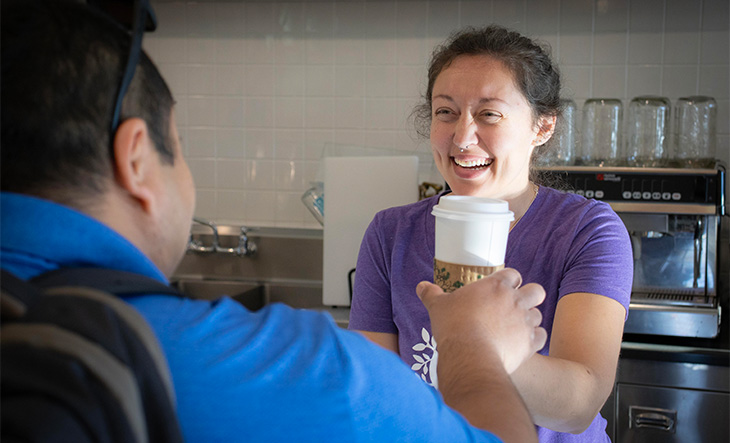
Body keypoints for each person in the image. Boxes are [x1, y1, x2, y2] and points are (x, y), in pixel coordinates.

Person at [0, 2, 549, 442]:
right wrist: (472, 343)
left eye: (489, 113)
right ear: (137, 159)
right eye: (181, 146)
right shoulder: (290, 369)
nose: (462, 134)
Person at [349, 25, 634, 442]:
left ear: (543, 127)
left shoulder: (587, 230)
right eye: (446, 112)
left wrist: (485, 345)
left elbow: (578, 407)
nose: (462, 138)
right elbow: (377, 394)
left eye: (489, 114)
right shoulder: (391, 233)